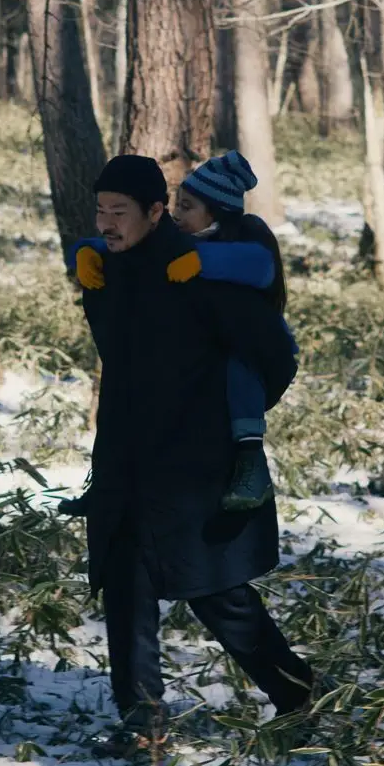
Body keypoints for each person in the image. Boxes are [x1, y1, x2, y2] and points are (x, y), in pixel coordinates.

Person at [67, 154, 313, 755]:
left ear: (156, 212)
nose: (107, 223)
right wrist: (87, 259)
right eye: (100, 211)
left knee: (216, 593)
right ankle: (143, 725)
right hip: (126, 460)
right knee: (126, 592)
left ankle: (299, 693)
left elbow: (275, 354)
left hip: (194, 470)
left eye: (119, 213)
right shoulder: (107, 269)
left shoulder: (198, 272)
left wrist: (230, 425)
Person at [65, 151, 291, 511]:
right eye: (177, 205)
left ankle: (251, 459)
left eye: (187, 207)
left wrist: (204, 261)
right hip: (145, 438)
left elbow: (260, 267)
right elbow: (117, 248)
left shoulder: (237, 246)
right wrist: (81, 252)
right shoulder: (169, 246)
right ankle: (107, 482)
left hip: (237, 367)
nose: (177, 214)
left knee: (240, 376)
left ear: (216, 213)